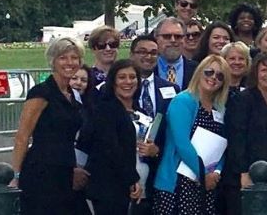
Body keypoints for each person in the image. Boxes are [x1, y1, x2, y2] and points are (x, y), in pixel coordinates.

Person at [11, 36, 86, 215]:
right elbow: (22, 136)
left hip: (66, 170)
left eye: (74, 58)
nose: (69, 62)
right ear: (53, 61)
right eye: (63, 58)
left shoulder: (72, 95)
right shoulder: (41, 93)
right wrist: (15, 176)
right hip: (42, 171)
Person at [154, 54, 230, 215]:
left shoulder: (220, 108)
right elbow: (182, 144)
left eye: (220, 76)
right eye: (209, 72)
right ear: (200, 71)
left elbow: (223, 144)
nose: (213, 78)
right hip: (178, 183)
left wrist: (216, 173)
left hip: (207, 184)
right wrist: (203, 174)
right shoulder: (183, 101)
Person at [224, 52, 267, 215]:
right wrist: (244, 172)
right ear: (255, 73)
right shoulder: (243, 100)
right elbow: (237, 138)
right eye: (264, 70)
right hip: (250, 174)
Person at [82, 59, 142, 215]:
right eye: (122, 77)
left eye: (132, 77)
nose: (128, 82)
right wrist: (132, 178)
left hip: (136, 186)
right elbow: (110, 148)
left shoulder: (139, 110)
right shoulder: (105, 109)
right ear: (113, 82)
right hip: (109, 187)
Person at [127, 35, 170, 215]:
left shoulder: (171, 89)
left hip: (158, 170)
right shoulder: (122, 87)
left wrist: (157, 150)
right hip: (126, 169)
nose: (148, 56)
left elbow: (171, 131)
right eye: (142, 52)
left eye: (153, 53)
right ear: (132, 54)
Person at [155, 17, 196, 88]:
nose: (173, 40)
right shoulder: (146, 69)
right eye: (167, 36)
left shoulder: (197, 69)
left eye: (178, 36)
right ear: (156, 38)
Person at [86, 26, 121, 94]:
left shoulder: (126, 75)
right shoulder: (87, 77)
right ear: (93, 49)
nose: (108, 49)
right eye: (101, 46)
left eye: (112, 44)